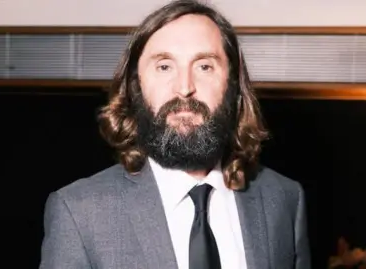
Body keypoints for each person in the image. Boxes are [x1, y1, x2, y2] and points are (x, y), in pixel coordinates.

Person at [39, 0, 311, 268]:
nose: (184, 87)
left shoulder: (284, 199)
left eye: (204, 66)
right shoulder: (78, 212)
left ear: (233, 85)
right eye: (164, 66)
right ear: (136, 87)